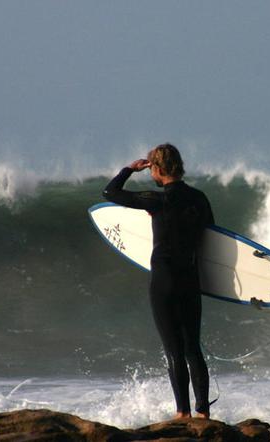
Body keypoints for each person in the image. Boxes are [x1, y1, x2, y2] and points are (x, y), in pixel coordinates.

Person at [103, 143, 214, 419]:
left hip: (164, 280)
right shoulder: (199, 198)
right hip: (190, 278)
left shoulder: (157, 199)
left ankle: (182, 413)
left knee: (174, 350)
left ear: (157, 168)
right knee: (193, 349)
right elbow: (213, 236)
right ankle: (203, 412)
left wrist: (129, 168)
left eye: (152, 167)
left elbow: (110, 192)